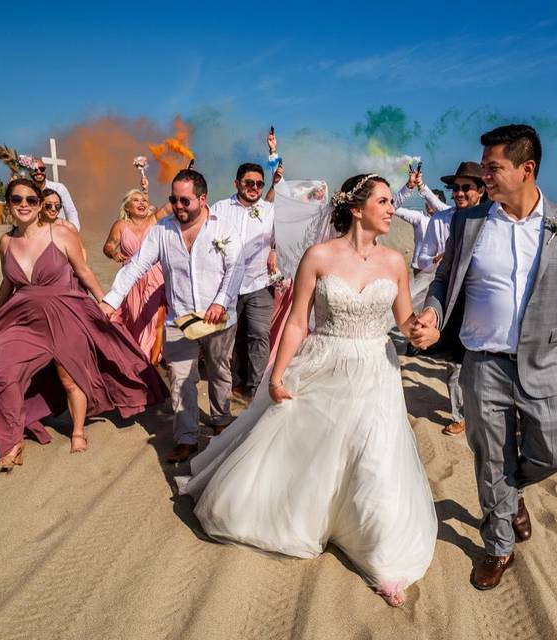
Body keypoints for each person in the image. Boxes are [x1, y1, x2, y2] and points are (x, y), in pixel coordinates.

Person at [176, 174, 437, 608]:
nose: (392, 209)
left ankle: (384, 558)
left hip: (376, 369)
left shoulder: (394, 262)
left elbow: (407, 324)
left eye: (392, 202)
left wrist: (426, 327)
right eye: (385, 201)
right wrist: (276, 377)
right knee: (315, 453)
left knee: (375, 458)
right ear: (357, 208)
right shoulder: (318, 256)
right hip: (324, 363)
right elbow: (297, 322)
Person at [412, 124, 557, 590]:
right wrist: (431, 310)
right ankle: (498, 545)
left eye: (493, 168)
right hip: (482, 361)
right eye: (484, 167)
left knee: (555, 453)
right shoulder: (468, 222)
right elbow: (445, 280)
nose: (484, 176)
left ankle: (513, 489)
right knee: (490, 459)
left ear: (527, 169)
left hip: (547, 364)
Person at [0, 179, 166, 468]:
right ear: (8, 203)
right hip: (24, 318)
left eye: (31, 200)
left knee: (70, 376)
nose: (24, 205)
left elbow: (83, 271)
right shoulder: (6, 241)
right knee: (2, 373)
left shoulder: (61, 233)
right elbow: (8, 279)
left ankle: (78, 431)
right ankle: (10, 439)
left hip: (65, 312)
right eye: (17, 199)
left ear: (40, 205)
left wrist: (105, 302)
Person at [100, 169, 245, 463]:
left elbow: (236, 268)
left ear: (203, 199)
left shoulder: (224, 228)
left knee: (219, 372)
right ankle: (186, 437)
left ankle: (219, 421)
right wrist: (112, 300)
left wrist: (220, 301)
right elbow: (137, 265)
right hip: (179, 319)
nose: (178, 207)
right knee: (180, 379)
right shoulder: (162, 230)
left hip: (218, 318)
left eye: (185, 201)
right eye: (173, 200)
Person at [414, 161, 488, 437]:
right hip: (454, 308)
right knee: (455, 368)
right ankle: (459, 414)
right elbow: (427, 262)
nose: (459, 193)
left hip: (486, 312)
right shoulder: (444, 220)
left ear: (481, 190)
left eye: (466, 187)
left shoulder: (496, 221)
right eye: (455, 188)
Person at [213, 163, 277, 401]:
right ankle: (236, 382)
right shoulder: (219, 208)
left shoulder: (269, 210)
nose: (254, 188)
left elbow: (282, 236)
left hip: (259, 282)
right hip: (226, 286)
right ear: (237, 183)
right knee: (231, 337)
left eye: (259, 184)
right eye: (249, 183)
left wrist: (275, 249)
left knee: (259, 334)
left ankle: (256, 387)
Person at [102, 188, 167, 363]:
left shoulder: (155, 220)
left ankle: (148, 363)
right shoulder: (121, 225)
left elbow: (171, 206)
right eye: (136, 200)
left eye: (144, 200)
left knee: (154, 321)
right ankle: (134, 356)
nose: (142, 203)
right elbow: (108, 246)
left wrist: (187, 173)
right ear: (127, 207)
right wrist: (114, 253)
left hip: (157, 277)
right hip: (131, 280)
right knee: (134, 319)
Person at [391, 168, 450, 274]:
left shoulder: (449, 217)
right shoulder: (420, 218)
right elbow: (394, 209)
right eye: (426, 202)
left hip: (443, 268)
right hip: (420, 267)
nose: (428, 204)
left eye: (431, 201)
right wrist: (409, 187)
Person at [29, 158, 80, 230]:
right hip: (39, 233)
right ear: (29, 172)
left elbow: (71, 211)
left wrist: (74, 230)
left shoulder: (59, 188)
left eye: (42, 169)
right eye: (35, 169)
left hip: (60, 232)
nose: (39, 172)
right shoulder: (28, 191)